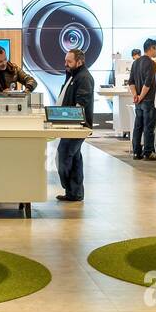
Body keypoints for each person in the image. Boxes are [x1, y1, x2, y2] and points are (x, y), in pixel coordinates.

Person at [54, 48, 94, 202]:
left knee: (63, 156)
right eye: (65, 61)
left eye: (69, 61)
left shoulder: (83, 78)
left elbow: (80, 104)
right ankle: (75, 193)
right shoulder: (73, 75)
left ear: (80, 62)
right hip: (69, 125)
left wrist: (71, 121)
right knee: (74, 158)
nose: (66, 64)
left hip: (76, 126)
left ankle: (70, 189)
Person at [131, 38, 156, 159]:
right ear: (151, 48)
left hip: (138, 101)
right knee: (149, 127)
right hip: (148, 100)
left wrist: (135, 96)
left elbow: (131, 82)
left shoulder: (135, 62)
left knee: (138, 127)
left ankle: (136, 152)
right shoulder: (151, 63)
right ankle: (148, 152)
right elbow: (148, 83)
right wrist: (141, 97)